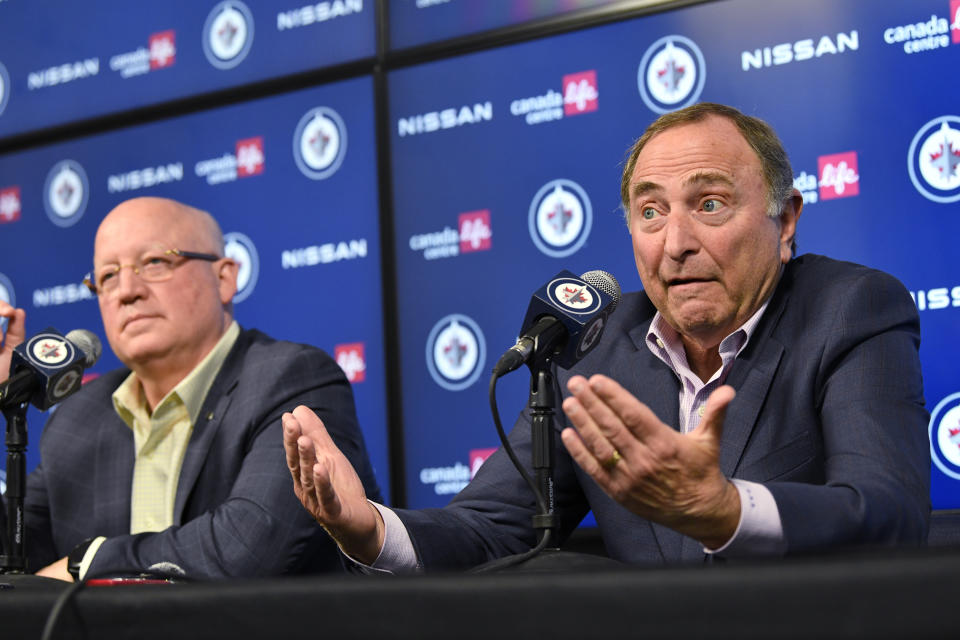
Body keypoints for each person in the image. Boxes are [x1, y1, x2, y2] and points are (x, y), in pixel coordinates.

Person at [283, 102, 930, 572]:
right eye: (651, 212)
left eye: (709, 204)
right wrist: (368, 527)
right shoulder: (597, 344)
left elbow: (887, 514)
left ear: (785, 222)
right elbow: (490, 529)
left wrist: (727, 512)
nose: (676, 243)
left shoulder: (852, 309)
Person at [0, 197, 381, 581]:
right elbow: (12, 554)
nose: (126, 291)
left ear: (224, 278)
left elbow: (247, 548)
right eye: (108, 276)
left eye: (154, 262)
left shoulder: (292, 380)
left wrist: (88, 563)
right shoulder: (79, 418)